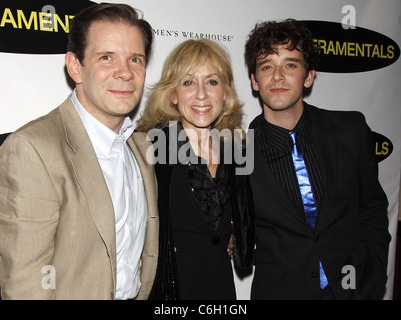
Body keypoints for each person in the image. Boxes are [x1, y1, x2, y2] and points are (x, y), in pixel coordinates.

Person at [0, 3, 158, 300]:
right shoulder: (34, 149)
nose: (124, 73)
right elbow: (24, 284)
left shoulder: (141, 147)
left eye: (135, 59)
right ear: (76, 67)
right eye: (107, 58)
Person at [245, 19, 390, 299]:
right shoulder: (238, 153)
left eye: (290, 64)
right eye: (266, 66)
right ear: (254, 80)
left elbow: (371, 207)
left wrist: (373, 278)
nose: (277, 76)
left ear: (308, 76)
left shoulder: (351, 131)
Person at [136, 39, 254, 300]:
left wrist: (237, 233)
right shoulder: (151, 147)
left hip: (220, 287)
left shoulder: (237, 148)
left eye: (212, 81)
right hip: (171, 290)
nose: (201, 94)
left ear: (225, 92)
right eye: (188, 82)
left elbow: (245, 213)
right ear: (173, 94)